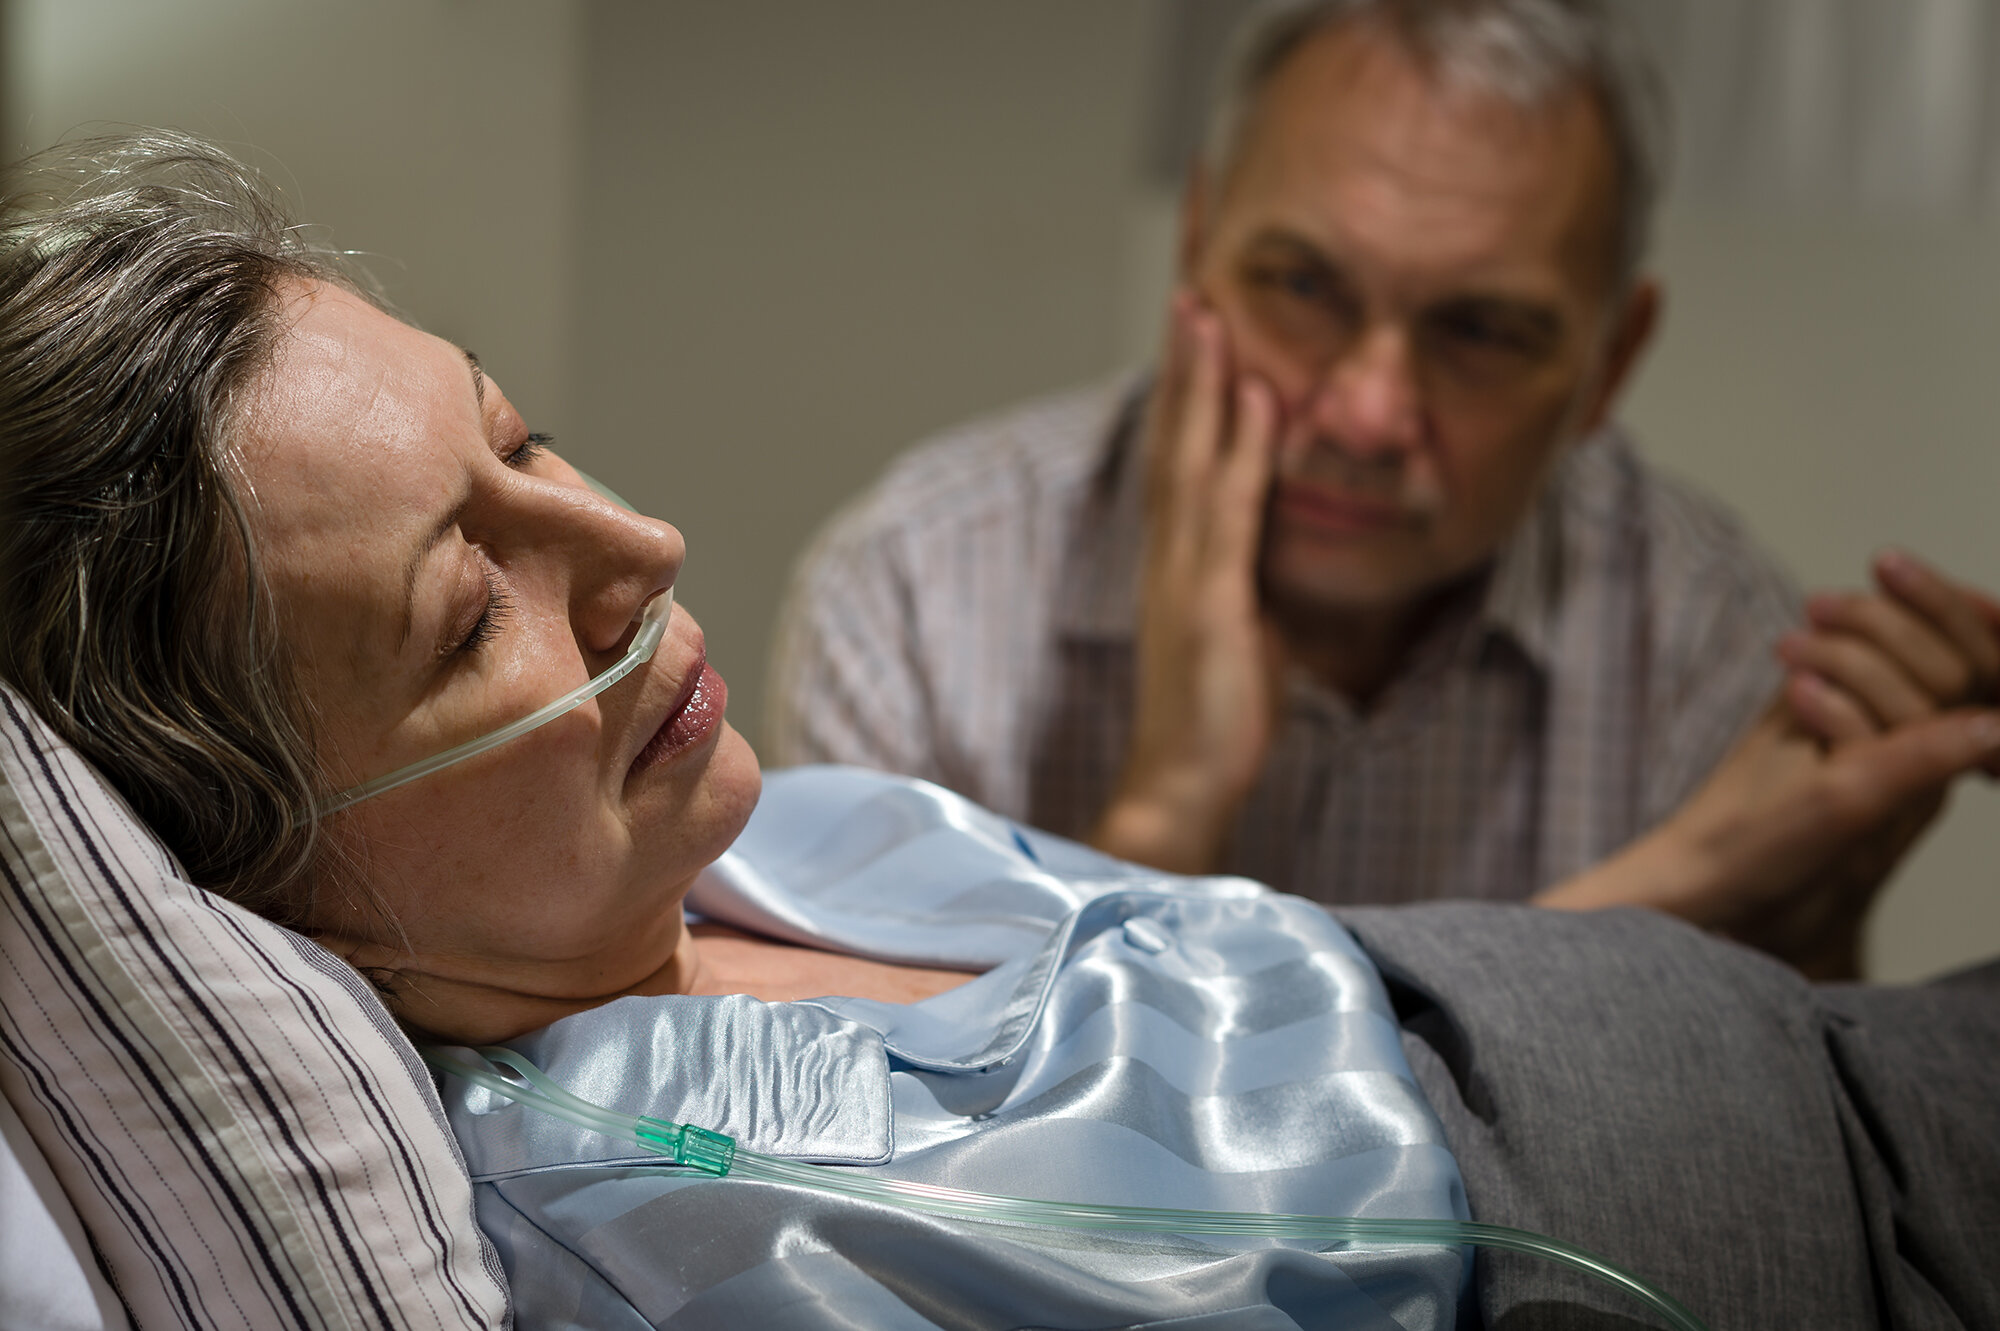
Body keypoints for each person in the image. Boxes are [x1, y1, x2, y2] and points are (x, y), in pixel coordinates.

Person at [4, 132, 1998, 1330]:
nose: (641, 548)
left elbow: (1269, 1063)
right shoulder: (642, 1216)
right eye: (467, 613)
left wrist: (1725, 870)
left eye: (525, 442)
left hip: (1828, 1071)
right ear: (264, 875)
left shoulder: (739, 845)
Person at [764, 0, 2000, 974]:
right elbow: (890, 1168)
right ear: (1196, 242)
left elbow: (1722, 1178)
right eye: (1301, 285)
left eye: (1479, 331)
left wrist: (1811, 932)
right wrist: (1166, 806)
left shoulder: (1707, 644)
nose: (1363, 415)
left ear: (1610, 362)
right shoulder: (917, 591)